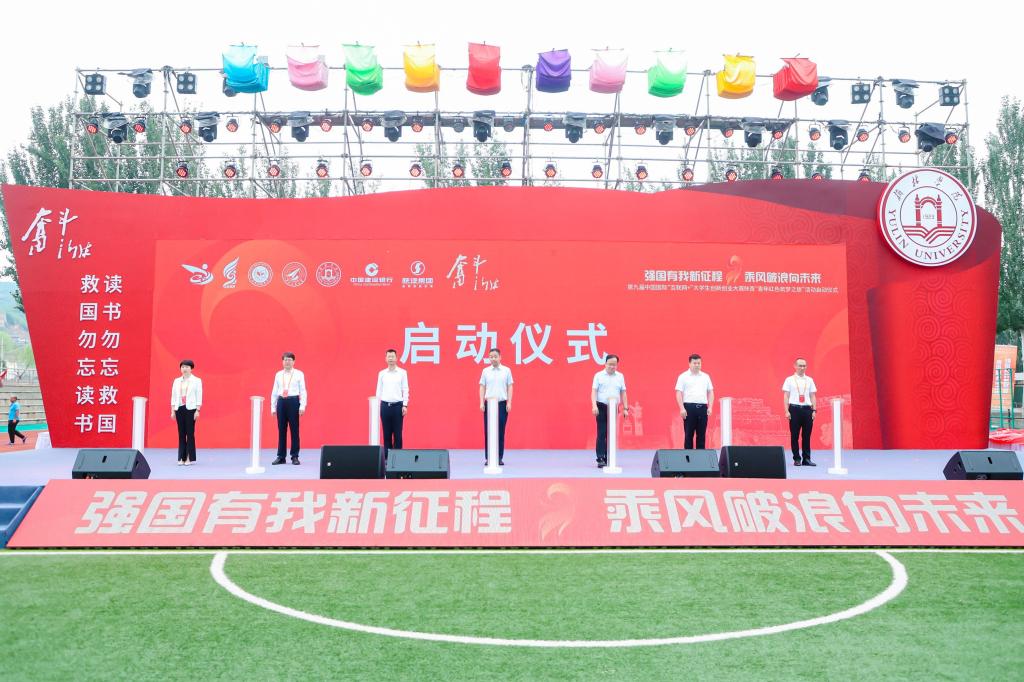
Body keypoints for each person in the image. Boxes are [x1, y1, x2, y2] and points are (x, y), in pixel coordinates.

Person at [591, 354, 628, 468]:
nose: (612, 367)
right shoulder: (599, 375)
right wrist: (594, 406)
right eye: (610, 364)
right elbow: (594, 391)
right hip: (601, 406)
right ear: (605, 364)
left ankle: (609, 457)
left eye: (614, 365)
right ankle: (600, 457)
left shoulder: (620, 376)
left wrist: (625, 408)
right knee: (602, 432)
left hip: (613, 407)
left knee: (611, 433)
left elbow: (623, 392)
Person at [270, 352, 307, 465]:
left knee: (294, 430)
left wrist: (302, 405)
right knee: (281, 430)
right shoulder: (278, 374)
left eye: (290, 360)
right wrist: (273, 407)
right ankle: (281, 456)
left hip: (293, 401)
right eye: (285, 360)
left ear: (294, 361)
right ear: (282, 361)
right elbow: (274, 391)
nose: (287, 362)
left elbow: (303, 390)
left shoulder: (299, 374)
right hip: (281, 402)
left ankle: (294, 456)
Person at [479, 348, 513, 465]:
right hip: (489, 404)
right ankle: (489, 458)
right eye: (491, 357)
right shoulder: (485, 371)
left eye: (495, 356)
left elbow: (510, 386)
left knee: (500, 431)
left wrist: (509, 402)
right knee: (488, 431)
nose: (493, 359)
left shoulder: (506, 371)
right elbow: (482, 387)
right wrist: (481, 402)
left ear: (500, 357)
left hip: (501, 404)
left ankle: (499, 457)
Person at [674, 353, 714, 449]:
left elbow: (710, 392)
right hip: (689, 408)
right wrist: (682, 408)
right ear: (689, 364)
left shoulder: (706, 376)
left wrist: (710, 407)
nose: (697, 365)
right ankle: (688, 457)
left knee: (702, 435)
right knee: (688, 435)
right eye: (694, 363)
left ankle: (700, 456)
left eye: (699, 363)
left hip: (702, 408)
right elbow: (678, 392)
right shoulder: (683, 376)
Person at [783, 358, 817, 466]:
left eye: (804, 366)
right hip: (794, 409)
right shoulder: (789, 380)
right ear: (795, 366)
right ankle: (797, 459)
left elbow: (812, 395)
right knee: (795, 435)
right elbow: (786, 396)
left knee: (807, 436)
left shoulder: (810, 380)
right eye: (800, 365)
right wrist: (786, 411)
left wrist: (814, 410)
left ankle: (806, 459)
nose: (802, 368)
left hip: (807, 410)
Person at [376, 348, 409, 459]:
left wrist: (405, 405)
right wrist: (377, 405)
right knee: (386, 434)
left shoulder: (402, 373)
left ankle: (398, 459)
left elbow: (405, 389)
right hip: (385, 406)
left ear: (396, 358)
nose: (391, 358)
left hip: (398, 406)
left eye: (392, 356)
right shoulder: (382, 374)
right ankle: (387, 459)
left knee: (398, 434)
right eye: (389, 356)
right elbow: (378, 391)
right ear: (385, 359)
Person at [170, 360, 202, 465]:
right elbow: (173, 396)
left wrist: (197, 410)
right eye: (183, 367)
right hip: (179, 408)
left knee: (190, 433)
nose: (185, 369)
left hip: (191, 409)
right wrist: (173, 410)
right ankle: (181, 458)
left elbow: (199, 395)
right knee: (181, 434)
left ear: (191, 368)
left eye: (187, 367)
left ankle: (188, 457)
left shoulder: (196, 380)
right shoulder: (177, 381)